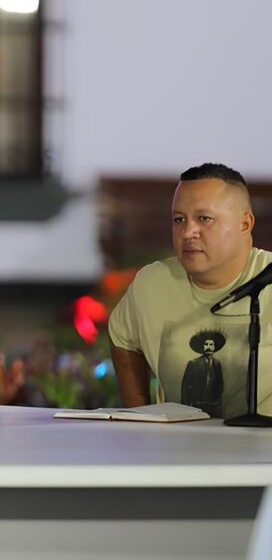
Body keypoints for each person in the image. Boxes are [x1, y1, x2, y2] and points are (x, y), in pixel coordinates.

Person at [109, 163, 272, 417]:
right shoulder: (152, 284)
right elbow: (122, 337)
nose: (188, 232)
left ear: (245, 224)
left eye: (204, 219)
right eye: (179, 219)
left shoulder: (268, 278)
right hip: (179, 451)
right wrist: (139, 414)